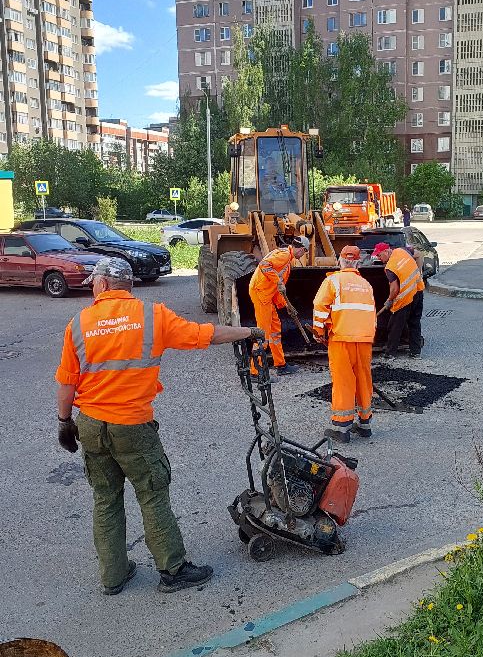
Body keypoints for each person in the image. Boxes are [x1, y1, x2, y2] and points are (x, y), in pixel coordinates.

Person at [55, 257, 264, 596]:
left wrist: (64, 421)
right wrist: (248, 331)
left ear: (105, 284)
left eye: (94, 281)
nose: (92, 287)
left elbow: (66, 383)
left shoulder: (79, 323)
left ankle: (114, 576)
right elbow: (205, 335)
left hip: (91, 424)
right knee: (152, 495)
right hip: (133, 427)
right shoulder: (152, 316)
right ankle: (173, 569)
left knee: (105, 499)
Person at [312, 245, 376, 444]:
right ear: (357, 262)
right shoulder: (366, 284)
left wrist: (318, 332)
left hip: (341, 338)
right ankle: (365, 424)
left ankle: (341, 427)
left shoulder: (332, 281)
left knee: (344, 380)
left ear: (340, 260)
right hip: (364, 339)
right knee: (363, 379)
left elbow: (320, 307)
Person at [248, 235, 309, 377]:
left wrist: (284, 305)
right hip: (260, 294)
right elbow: (264, 265)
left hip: (267, 295)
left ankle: (280, 364)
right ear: (300, 249)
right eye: (305, 251)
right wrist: (278, 281)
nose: (304, 254)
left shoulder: (287, 260)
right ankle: (256, 371)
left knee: (275, 329)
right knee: (263, 333)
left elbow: (276, 288)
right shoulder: (285, 255)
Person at [371, 241, 424, 358]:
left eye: (379, 255)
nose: (379, 258)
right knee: (414, 323)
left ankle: (390, 354)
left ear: (386, 251)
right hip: (418, 290)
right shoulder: (403, 250)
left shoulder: (390, 267)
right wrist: (419, 273)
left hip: (405, 297)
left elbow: (394, 289)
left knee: (395, 325)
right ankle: (415, 352)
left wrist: (389, 300)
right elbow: (419, 254)